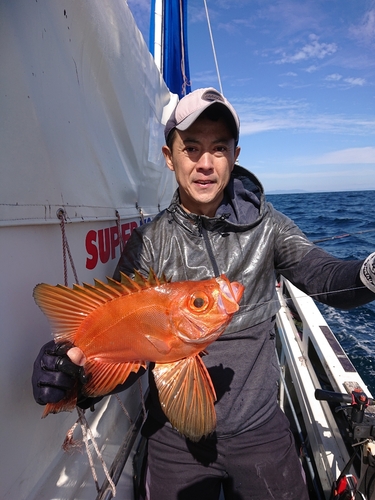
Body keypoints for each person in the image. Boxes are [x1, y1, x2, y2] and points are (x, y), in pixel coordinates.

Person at [32, 87, 375, 499]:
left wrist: (369, 273)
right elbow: (130, 352)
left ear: (235, 154)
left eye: (219, 148)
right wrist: (74, 380)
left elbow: (324, 275)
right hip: (174, 440)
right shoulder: (149, 242)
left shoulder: (270, 226)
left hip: (261, 430)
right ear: (168, 156)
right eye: (191, 148)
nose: (205, 164)